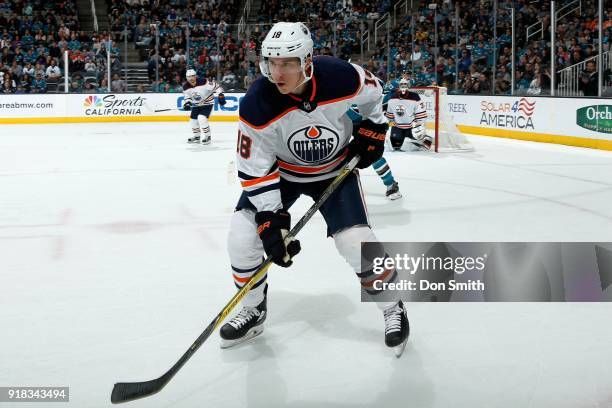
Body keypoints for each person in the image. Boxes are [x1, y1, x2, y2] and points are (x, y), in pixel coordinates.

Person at [219, 22, 409, 356]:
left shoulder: (341, 76)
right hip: (283, 175)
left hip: (335, 169)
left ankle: (393, 307)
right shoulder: (257, 102)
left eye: (288, 63)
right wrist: (269, 219)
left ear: (307, 60)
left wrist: (374, 128)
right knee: (242, 236)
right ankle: (254, 308)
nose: (277, 72)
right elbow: (254, 168)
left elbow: (375, 94)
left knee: (355, 243)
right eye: (272, 62)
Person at [182, 69, 226, 144]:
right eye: (189, 77)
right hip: (196, 105)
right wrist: (187, 103)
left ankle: (207, 136)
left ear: (195, 76)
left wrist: (221, 95)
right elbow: (187, 97)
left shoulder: (203, 81)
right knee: (193, 120)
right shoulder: (186, 86)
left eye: (193, 76)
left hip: (207, 103)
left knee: (201, 118)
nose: (191, 78)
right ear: (186, 78)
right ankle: (197, 136)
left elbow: (217, 87)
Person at [385, 79, 429, 151]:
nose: (403, 87)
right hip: (398, 127)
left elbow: (421, 116)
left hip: (412, 127)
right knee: (395, 146)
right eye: (402, 85)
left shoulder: (415, 97)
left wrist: (419, 126)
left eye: (405, 85)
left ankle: (423, 139)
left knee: (418, 144)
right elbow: (390, 116)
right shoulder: (392, 98)